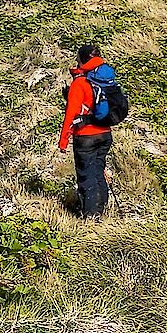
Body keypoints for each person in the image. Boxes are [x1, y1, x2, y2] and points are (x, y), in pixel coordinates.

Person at [59, 44, 116, 219]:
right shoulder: (104, 79)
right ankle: (101, 208)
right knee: (98, 170)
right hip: (105, 133)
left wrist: (63, 139)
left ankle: (91, 215)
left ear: (82, 60)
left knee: (86, 175)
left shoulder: (79, 83)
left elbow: (71, 113)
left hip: (86, 137)